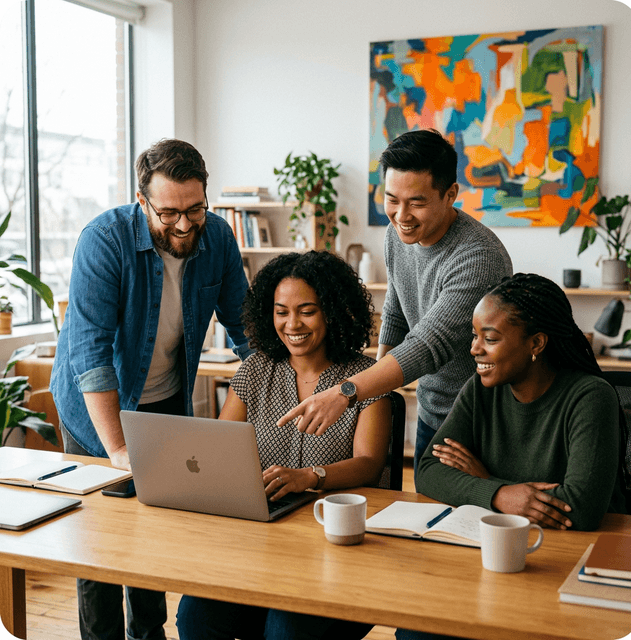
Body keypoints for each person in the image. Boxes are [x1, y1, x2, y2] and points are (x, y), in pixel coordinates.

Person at [50, 138, 252, 640]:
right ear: (142, 202)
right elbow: (90, 355)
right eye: (169, 213)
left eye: (194, 209)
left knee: (154, 531)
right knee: (98, 542)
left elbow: (248, 330)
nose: (184, 225)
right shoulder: (104, 240)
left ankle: (148, 635)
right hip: (97, 408)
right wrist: (117, 448)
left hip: (165, 403)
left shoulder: (220, 239)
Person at [395, 273, 627, 640]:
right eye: (475, 336)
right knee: (417, 631)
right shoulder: (481, 388)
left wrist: (484, 481)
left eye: (490, 338)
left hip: (567, 565)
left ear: (536, 343)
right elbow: (427, 470)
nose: (474, 349)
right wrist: (502, 495)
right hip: (496, 555)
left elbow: (579, 508)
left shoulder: (589, 397)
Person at [176, 250, 392, 640]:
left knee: (285, 629)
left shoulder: (362, 379)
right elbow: (222, 447)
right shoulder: (256, 369)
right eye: (281, 311)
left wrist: (309, 477)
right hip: (261, 547)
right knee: (194, 613)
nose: (292, 324)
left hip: (336, 550)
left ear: (333, 311)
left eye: (307, 310)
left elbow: (370, 464)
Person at [278, 129, 512, 476]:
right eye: (392, 199)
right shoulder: (397, 236)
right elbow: (397, 311)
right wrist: (375, 393)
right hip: (433, 412)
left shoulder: (478, 257)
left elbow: (428, 344)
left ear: (450, 195)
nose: (401, 215)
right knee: (424, 519)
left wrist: (347, 393)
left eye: (416, 202)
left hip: (482, 422)